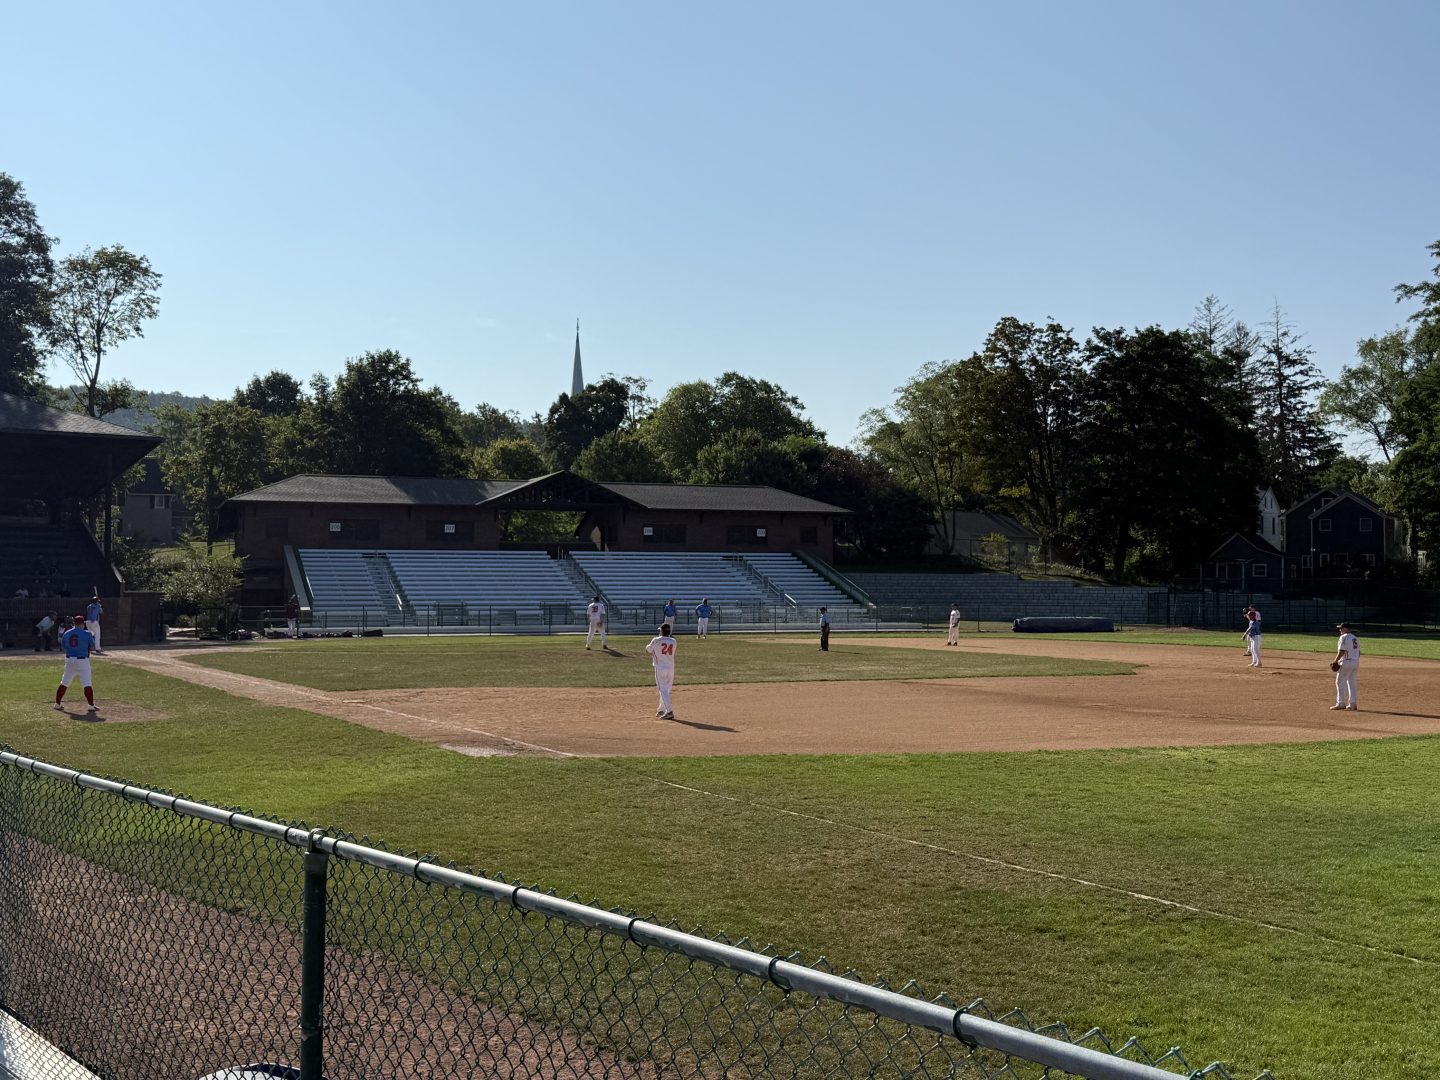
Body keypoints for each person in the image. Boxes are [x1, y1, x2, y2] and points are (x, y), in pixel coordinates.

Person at [54, 615, 98, 713]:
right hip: (82, 660)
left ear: (74, 623)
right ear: (83, 623)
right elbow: (92, 648)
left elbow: (64, 646)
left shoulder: (67, 633)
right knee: (87, 683)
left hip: (69, 660)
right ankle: (91, 705)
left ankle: (57, 704)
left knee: (64, 682)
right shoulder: (87, 633)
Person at [644, 621, 677, 719]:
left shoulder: (656, 640)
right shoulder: (674, 641)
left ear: (662, 631)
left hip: (660, 668)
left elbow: (648, 650)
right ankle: (661, 709)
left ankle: (669, 711)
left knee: (663, 690)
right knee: (666, 690)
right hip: (671, 668)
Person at [1331, 622, 1360, 711]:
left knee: (1340, 681)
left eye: (1341, 628)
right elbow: (1358, 652)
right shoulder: (1355, 638)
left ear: (1346, 629)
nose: (1340, 630)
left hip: (1347, 662)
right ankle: (1353, 704)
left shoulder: (1343, 637)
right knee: (1352, 682)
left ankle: (1340, 703)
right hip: (1355, 662)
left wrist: (1335, 660)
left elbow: (1342, 651)